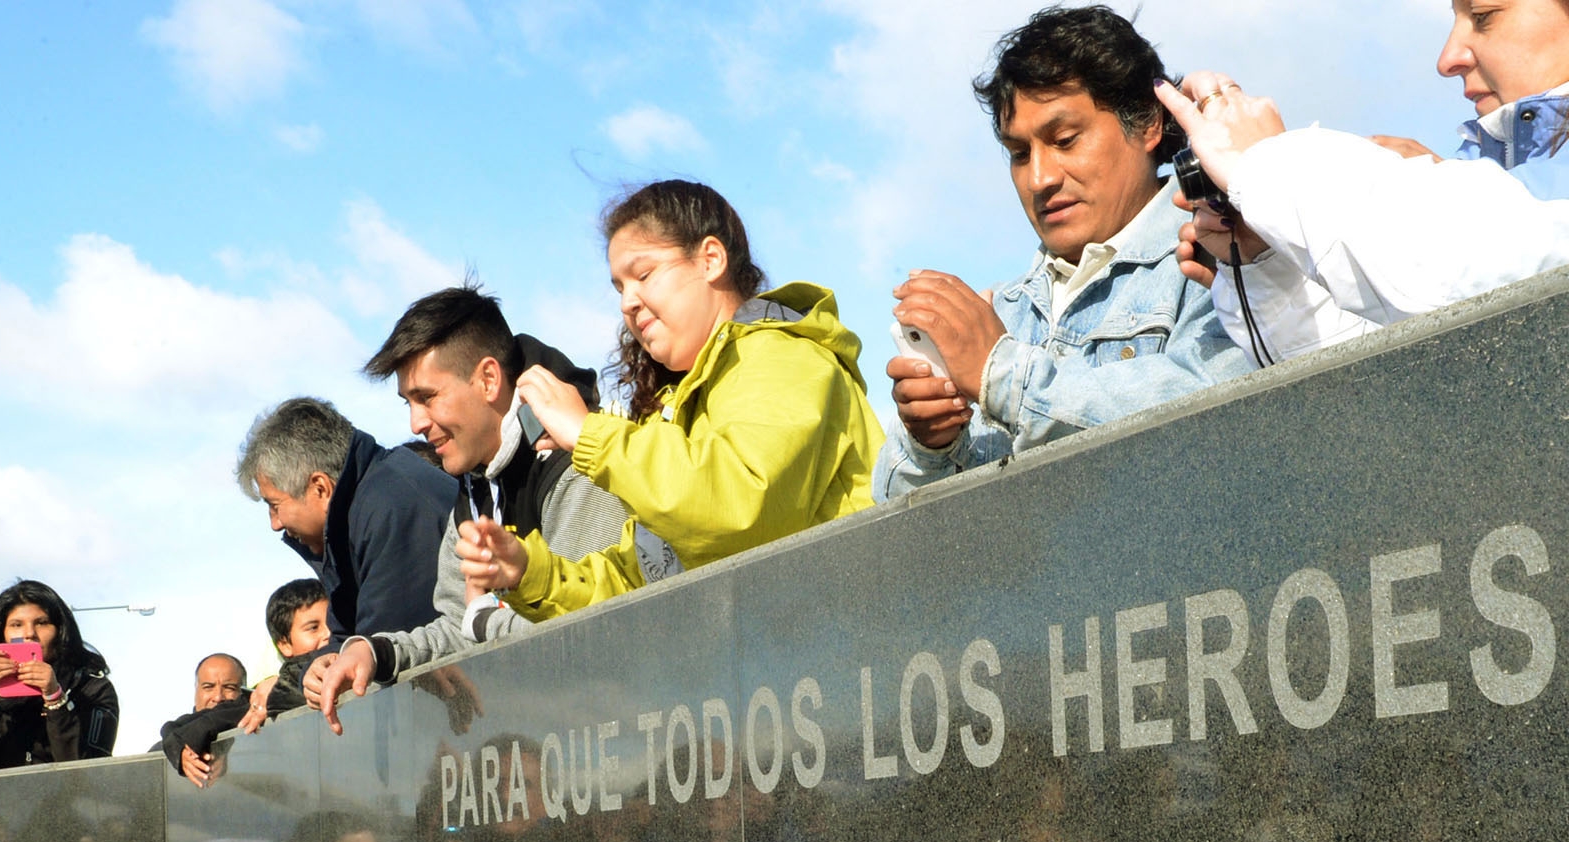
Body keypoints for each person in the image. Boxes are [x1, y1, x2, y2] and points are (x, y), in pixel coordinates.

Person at [870, 7, 1248, 500]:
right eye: (1020, 154)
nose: (1040, 178)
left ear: (1149, 123)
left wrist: (1000, 373)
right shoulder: (1000, 311)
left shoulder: (1225, 253)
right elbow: (890, 517)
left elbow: (1221, 416)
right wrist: (932, 444)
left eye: (1065, 140)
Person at [458, 180, 882, 619]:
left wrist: (589, 433)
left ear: (711, 259)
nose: (628, 302)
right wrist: (531, 575)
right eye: (619, 287)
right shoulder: (677, 413)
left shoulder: (783, 355)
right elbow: (641, 576)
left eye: (643, 275)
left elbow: (740, 506)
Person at [315, 284, 680, 731]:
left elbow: (590, 637)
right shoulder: (473, 489)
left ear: (489, 379)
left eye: (427, 397)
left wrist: (485, 619)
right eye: (408, 403)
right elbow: (455, 626)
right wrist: (374, 652)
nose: (415, 423)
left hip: (640, 742)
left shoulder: (579, 463)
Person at [1158, 0, 1569, 366]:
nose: (1448, 58)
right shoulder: (1491, 175)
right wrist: (1266, 258)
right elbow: (1386, 378)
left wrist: (1268, 164)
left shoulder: (1497, 209)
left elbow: (1456, 264)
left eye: (1482, 16)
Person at [233, 396, 455, 704]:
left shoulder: (392, 508)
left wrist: (295, 685)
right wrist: (310, 671)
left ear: (320, 488)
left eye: (275, 505)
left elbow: (376, 655)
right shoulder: (363, 509)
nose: (275, 523)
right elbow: (348, 641)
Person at [0, 581, 120, 774]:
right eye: (16, 625)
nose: (30, 634)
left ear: (61, 630)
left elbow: (90, 770)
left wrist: (55, 698)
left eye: (41, 623)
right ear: (2, 633)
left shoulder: (91, 687)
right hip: (1, 801)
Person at [235, 579, 334, 735]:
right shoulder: (269, 694)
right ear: (284, 644)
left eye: (332, 622)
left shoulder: (356, 658)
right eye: (313, 628)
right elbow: (225, 713)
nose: (328, 634)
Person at [158, 653, 250, 786]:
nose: (218, 697)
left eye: (229, 688)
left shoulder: (260, 738)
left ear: (243, 693)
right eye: (208, 687)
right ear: (196, 691)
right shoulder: (160, 755)